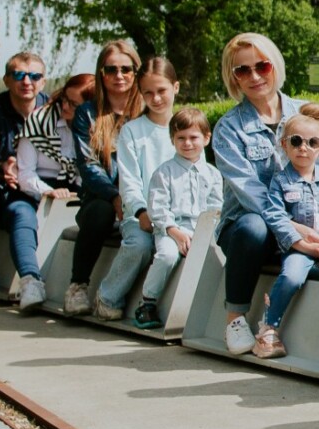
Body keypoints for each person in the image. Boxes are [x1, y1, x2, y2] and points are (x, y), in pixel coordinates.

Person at [209, 33, 299, 354]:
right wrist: (294, 231)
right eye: (242, 71)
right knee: (253, 225)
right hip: (247, 231)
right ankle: (235, 318)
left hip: (300, 224)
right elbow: (252, 195)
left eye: (262, 66)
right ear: (233, 78)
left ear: (275, 65)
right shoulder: (228, 129)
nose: (255, 76)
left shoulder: (304, 115)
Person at [252, 107, 319, 360]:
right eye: (296, 141)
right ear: (284, 145)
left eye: (312, 142)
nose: (303, 148)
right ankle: (268, 328)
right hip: (300, 249)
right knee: (292, 276)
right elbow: (275, 216)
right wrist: (302, 244)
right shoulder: (281, 182)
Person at [93, 58, 179, 322]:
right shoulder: (133, 131)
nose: (156, 98)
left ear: (175, 87)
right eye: (148, 93)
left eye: (162, 90)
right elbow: (128, 179)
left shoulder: (186, 126)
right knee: (140, 245)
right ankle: (108, 296)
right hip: (141, 217)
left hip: (178, 216)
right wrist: (141, 211)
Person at [61, 39, 144, 315]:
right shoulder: (88, 113)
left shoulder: (146, 110)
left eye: (126, 69)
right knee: (98, 212)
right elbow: (88, 166)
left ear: (136, 72)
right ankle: (78, 286)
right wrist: (114, 195)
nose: (119, 76)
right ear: (101, 73)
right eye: (111, 70)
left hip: (143, 197)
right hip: (101, 198)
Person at [0, 50, 53, 308]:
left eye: (34, 76)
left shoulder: (53, 110)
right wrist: (3, 167)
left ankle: (30, 281)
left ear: (43, 82)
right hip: (4, 183)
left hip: (41, 185)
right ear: (6, 80)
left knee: (20, 211)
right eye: (19, 75)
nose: (27, 82)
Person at [133, 107, 219, 329]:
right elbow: (158, 208)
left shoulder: (213, 174)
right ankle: (147, 303)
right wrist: (174, 231)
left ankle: (210, 311)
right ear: (173, 140)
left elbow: (216, 207)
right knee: (167, 256)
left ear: (206, 138)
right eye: (181, 138)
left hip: (202, 230)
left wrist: (203, 234)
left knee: (217, 256)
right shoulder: (164, 172)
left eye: (193, 137)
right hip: (170, 230)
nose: (187, 143)